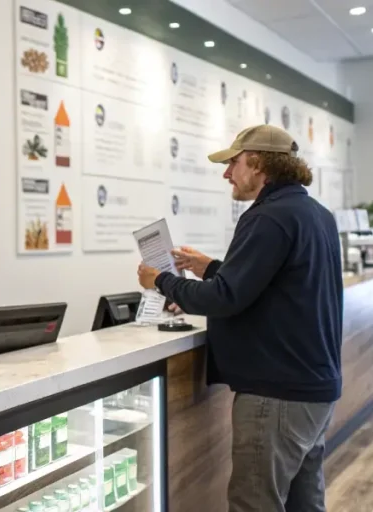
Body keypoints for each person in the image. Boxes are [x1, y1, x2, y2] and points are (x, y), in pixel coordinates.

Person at [136, 125, 343, 512]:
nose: (226, 173)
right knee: (304, 504)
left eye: (233, 162)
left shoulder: (267, 217)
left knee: (254, 503)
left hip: (277, 394)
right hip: (312, 388)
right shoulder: (315, 214)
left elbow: (227, 297)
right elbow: (270, 284)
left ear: (258, 163)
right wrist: (211, 266)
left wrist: (160, 280)